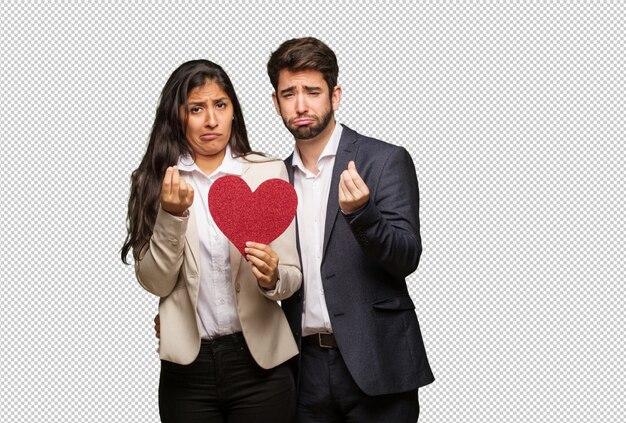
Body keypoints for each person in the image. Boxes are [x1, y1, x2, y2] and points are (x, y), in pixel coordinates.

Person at [121, 59, 301, 423]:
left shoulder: (267, 172)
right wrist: (171, 216)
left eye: (220, 105)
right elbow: (155, 282)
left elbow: (292, 275)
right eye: (196, 109)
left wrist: (271, 277)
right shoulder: (154, 181)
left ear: (234, 111)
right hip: (188, 371)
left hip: (261, 364)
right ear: (178, 116)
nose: (211, 120)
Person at [267, 37, 434, 422]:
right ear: (275, 103)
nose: (301, 105)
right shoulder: (271, 179)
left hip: (377, 360)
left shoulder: (384, 159)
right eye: (289, 93)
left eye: (312, 91)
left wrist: (363, 215)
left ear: (335, 95)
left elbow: (406, 256)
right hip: (302, 367)